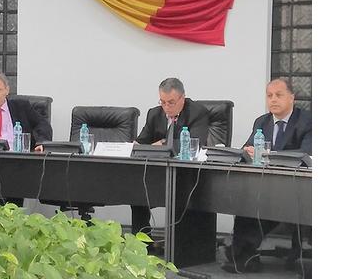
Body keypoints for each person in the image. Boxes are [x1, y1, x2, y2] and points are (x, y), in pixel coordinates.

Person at [222, 78, 312, 274]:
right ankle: (244, 257)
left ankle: (244, 254)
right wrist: (248, 151)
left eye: (278, 95)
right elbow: (246, 150)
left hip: (297, 188)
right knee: (247, 202)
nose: (273, 99)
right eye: (269, 95)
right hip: (265, 185)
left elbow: (306, 153)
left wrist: (267, 154)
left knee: (266, 203)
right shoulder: (262, 122)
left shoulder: (307, 121)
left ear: (292, 98)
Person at [132, 77, 210, 250]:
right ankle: (143, 245)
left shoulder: (198, 112)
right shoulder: (154, 113)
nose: (166, 107)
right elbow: (141, 143)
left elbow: (195, 144)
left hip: (187, 175)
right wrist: (135, 146)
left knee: (181, 193)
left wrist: (162, 143)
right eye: (163, 102)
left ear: (183, 98)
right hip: (157, 173)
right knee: (137, 189)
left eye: (171, 102)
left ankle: (181, 248)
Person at [0, 71, 52, 151]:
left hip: (17, 155)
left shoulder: (21, 107)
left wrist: (41, 143)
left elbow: (43, 124)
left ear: (7, 90)